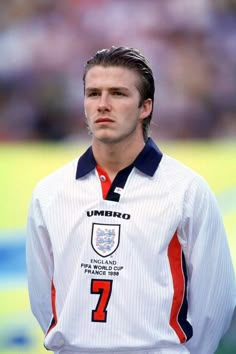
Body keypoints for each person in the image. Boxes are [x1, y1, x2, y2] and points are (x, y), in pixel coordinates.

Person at [26, 46, 235, 354]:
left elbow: (214, 304)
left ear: (145, 107)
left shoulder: (187, 190)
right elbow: (44, 301)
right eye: (93, 93)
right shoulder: (50, 192)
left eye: (119, 94)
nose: (103, 105)